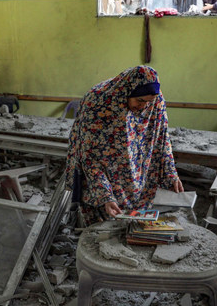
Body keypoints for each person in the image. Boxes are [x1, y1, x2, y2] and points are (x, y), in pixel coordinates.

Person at [65, 66, 183, 226]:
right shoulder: (98, 103)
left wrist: (170, 173)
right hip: (102, 167)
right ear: (127, 91)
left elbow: (162, 138)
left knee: (132, 224)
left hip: (135, 169)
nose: (143, 106)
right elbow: (90, 158)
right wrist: (105, 195)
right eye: (139, 101)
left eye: (148, 102)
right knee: (101, 226)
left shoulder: (154, 100)